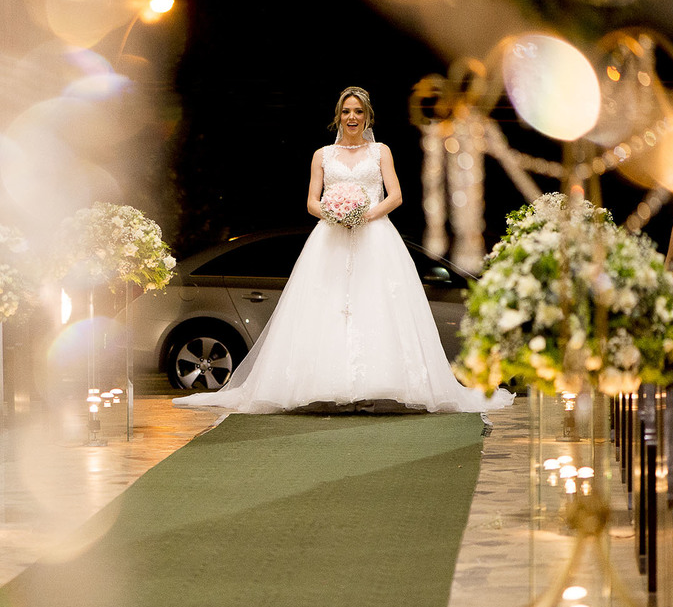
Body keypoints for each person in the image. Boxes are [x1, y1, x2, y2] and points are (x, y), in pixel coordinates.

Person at [175, 86, 513, 415]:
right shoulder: (322, 155)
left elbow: (396, 195)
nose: (352, 117)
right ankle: (325, 387)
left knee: (375, 304)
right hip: (331, 238)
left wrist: (365, 215)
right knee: (328, 306)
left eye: (358, 111)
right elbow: (311, 201)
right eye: (347, 111)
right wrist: (334, 213)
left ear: (367, 117)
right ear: (338, 116)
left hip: (375, 237)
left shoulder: (381, 151)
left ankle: (375, 386)